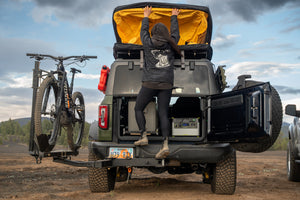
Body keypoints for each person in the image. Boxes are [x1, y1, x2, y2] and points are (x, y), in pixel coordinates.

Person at [134, 6, 181, 159]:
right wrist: (174, 16)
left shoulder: (147, 43)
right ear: (166, 34)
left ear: (153, 33)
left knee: (138, 108)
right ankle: (165, 145)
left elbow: (143, 31)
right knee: (163, 114)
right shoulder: (172, 42)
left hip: (149, 83)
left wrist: (146, 15)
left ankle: (143, 135)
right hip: (166, 84)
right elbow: (176, 33)